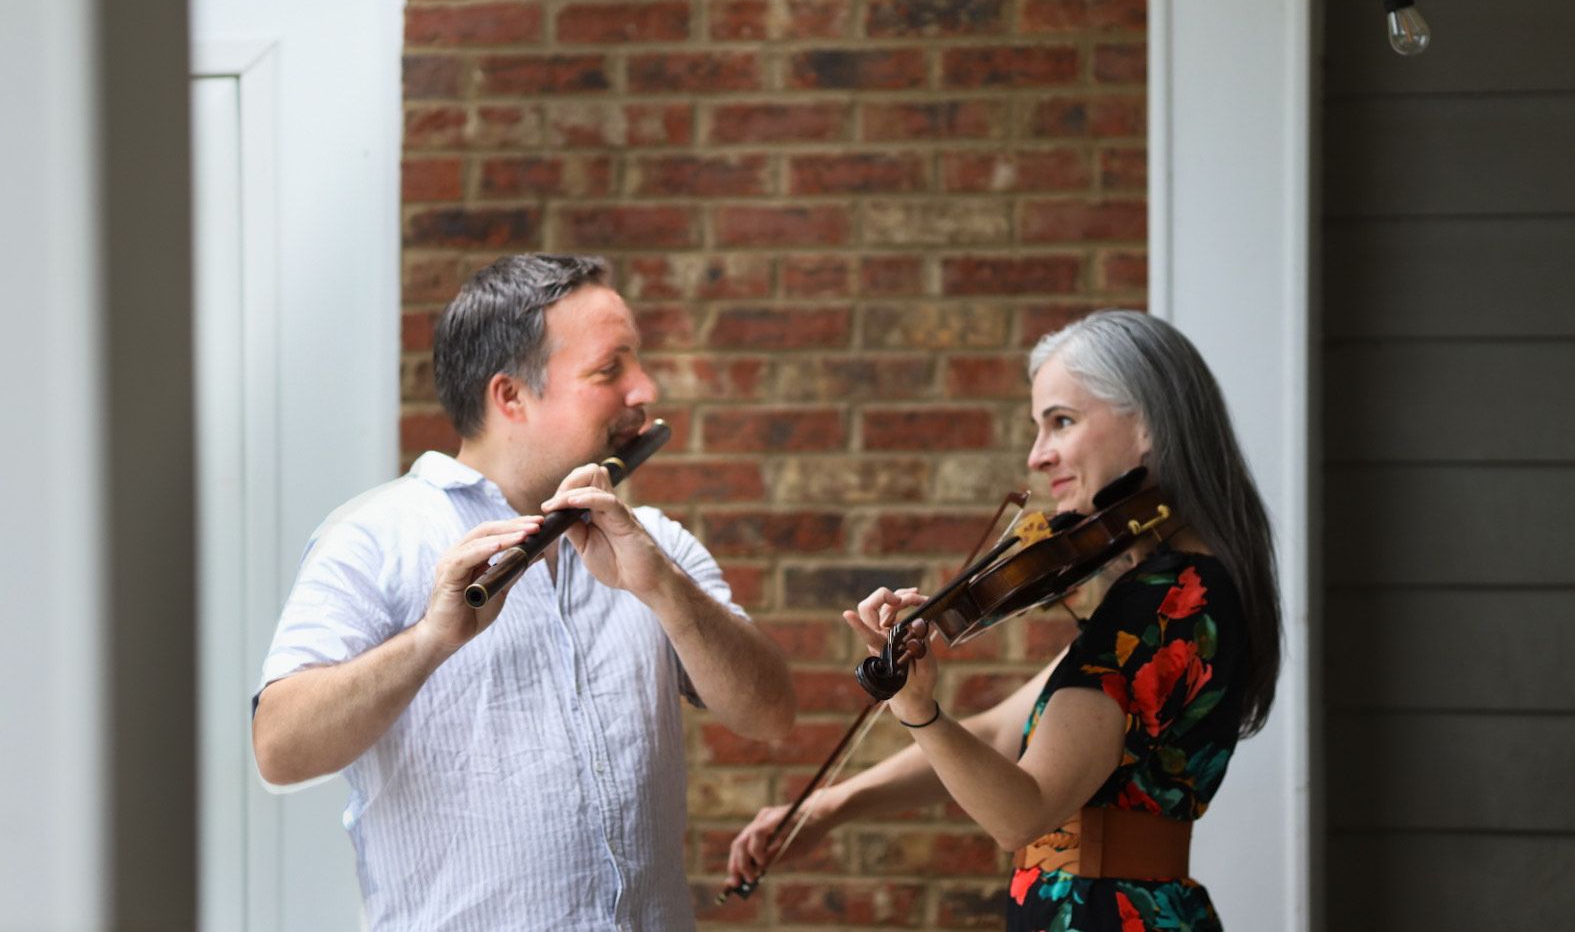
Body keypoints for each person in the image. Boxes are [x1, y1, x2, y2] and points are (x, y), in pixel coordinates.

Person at [253, 253, 796, 931]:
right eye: (610, 369)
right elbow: (280, 749)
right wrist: (429, 642)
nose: (643, 389)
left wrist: (662, 589)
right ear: (511, 397)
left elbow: (770, 714)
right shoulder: (373, 538)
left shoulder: (652, 540)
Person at [726, 309, 1281, 931]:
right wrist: (829, 806)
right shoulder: (1183, 591)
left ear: (1149, 423)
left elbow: (1024, 812)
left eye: (1061, 422)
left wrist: (918, 709)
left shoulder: (1163, 599)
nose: (1038, 456)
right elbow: (998, 732)